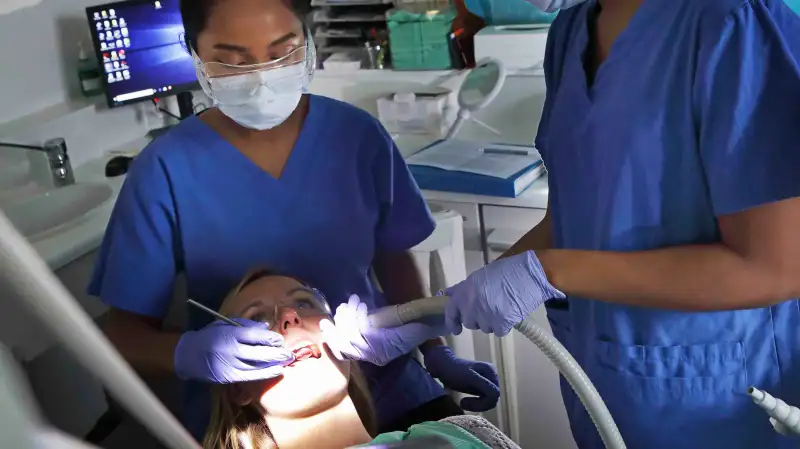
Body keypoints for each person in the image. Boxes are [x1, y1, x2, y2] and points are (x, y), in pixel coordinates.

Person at [88, 0, 498, 440]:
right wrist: (189, 354)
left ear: (308, 42)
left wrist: (431, 348)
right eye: (232, 60)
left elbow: (392, 257)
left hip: (386, 382)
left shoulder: (357, 137)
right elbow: (121, 334)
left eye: (282, 52)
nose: (262, 76)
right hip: (258, 411)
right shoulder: (164, 170)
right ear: (195, 54)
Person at [443, 1, 800, 448]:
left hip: (718, 400)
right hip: (604, 390)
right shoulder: (571, 32)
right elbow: (573, 218)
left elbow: (775, 266)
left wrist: (549, 272)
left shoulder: (732, 23)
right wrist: (440, 312)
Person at [203, 268, 518, 449]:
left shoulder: (460, 434)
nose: (289, 316)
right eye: (257, 319)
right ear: (238, 388)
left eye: (303, 303)